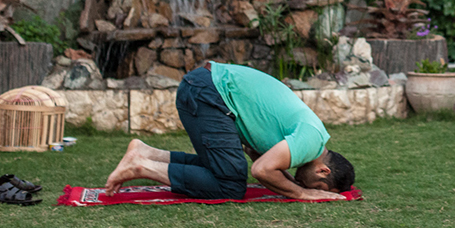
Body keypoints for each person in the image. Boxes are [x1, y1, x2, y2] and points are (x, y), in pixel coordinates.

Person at [105, 61, 354, 201]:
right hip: (209, 92)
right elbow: (260, 171)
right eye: (318, 187)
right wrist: (302, 193)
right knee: (231, 184)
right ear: (323, 170)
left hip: (203, 87)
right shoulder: (311, 141)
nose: (311, 188)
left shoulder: (311, 137)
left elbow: (257, 157)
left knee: (223, 167)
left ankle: (145, 153)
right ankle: (141, 166)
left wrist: (291, 185)